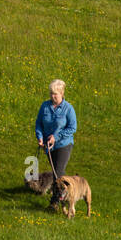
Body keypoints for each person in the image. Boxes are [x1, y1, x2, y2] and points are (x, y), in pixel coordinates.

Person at [35, 79, 77, 210]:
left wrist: (56, 137)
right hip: (49, 146)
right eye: (51, 93)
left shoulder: (68, 108)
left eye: (56, 94)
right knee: (56, 174)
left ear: (62, 93)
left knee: (58, 173)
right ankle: (66, 197)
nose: (53, 96)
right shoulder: (45, 106)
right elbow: (39, 124)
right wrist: (40, 137)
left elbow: (72, 128)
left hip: (64, 144)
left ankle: (54, 203)